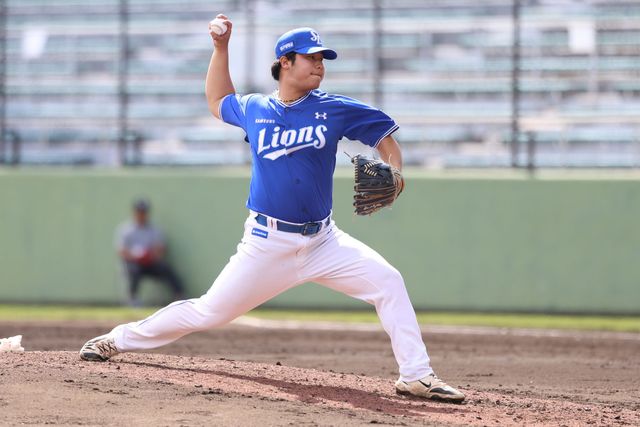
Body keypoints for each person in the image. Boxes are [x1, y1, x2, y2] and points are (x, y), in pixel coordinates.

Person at [79, 15, 465, 403]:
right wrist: (220, 48)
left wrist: (395, 171)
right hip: (267, 242)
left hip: (324, 242)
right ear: (285, 62)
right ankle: (118, 339)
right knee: (208, 312)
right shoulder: (256, 108)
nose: (319, 65)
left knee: (388, 282)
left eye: (322, 59)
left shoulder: (333, 108)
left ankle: (416, 375)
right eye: (311, 57)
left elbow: (384, 135)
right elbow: (217, 101)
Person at [116, 199, 185, 306]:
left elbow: (161, 248)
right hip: (133, 262)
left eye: (144, 212)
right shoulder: (126, 230)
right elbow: (121, 251)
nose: (141, 215)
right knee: (133, 270)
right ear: (134, 212)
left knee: (165, 268)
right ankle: (133, 298)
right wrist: (135, 256)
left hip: (150, 262)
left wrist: (150, 255)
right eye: (139, 212)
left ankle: (179, 296)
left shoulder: (154, 229)